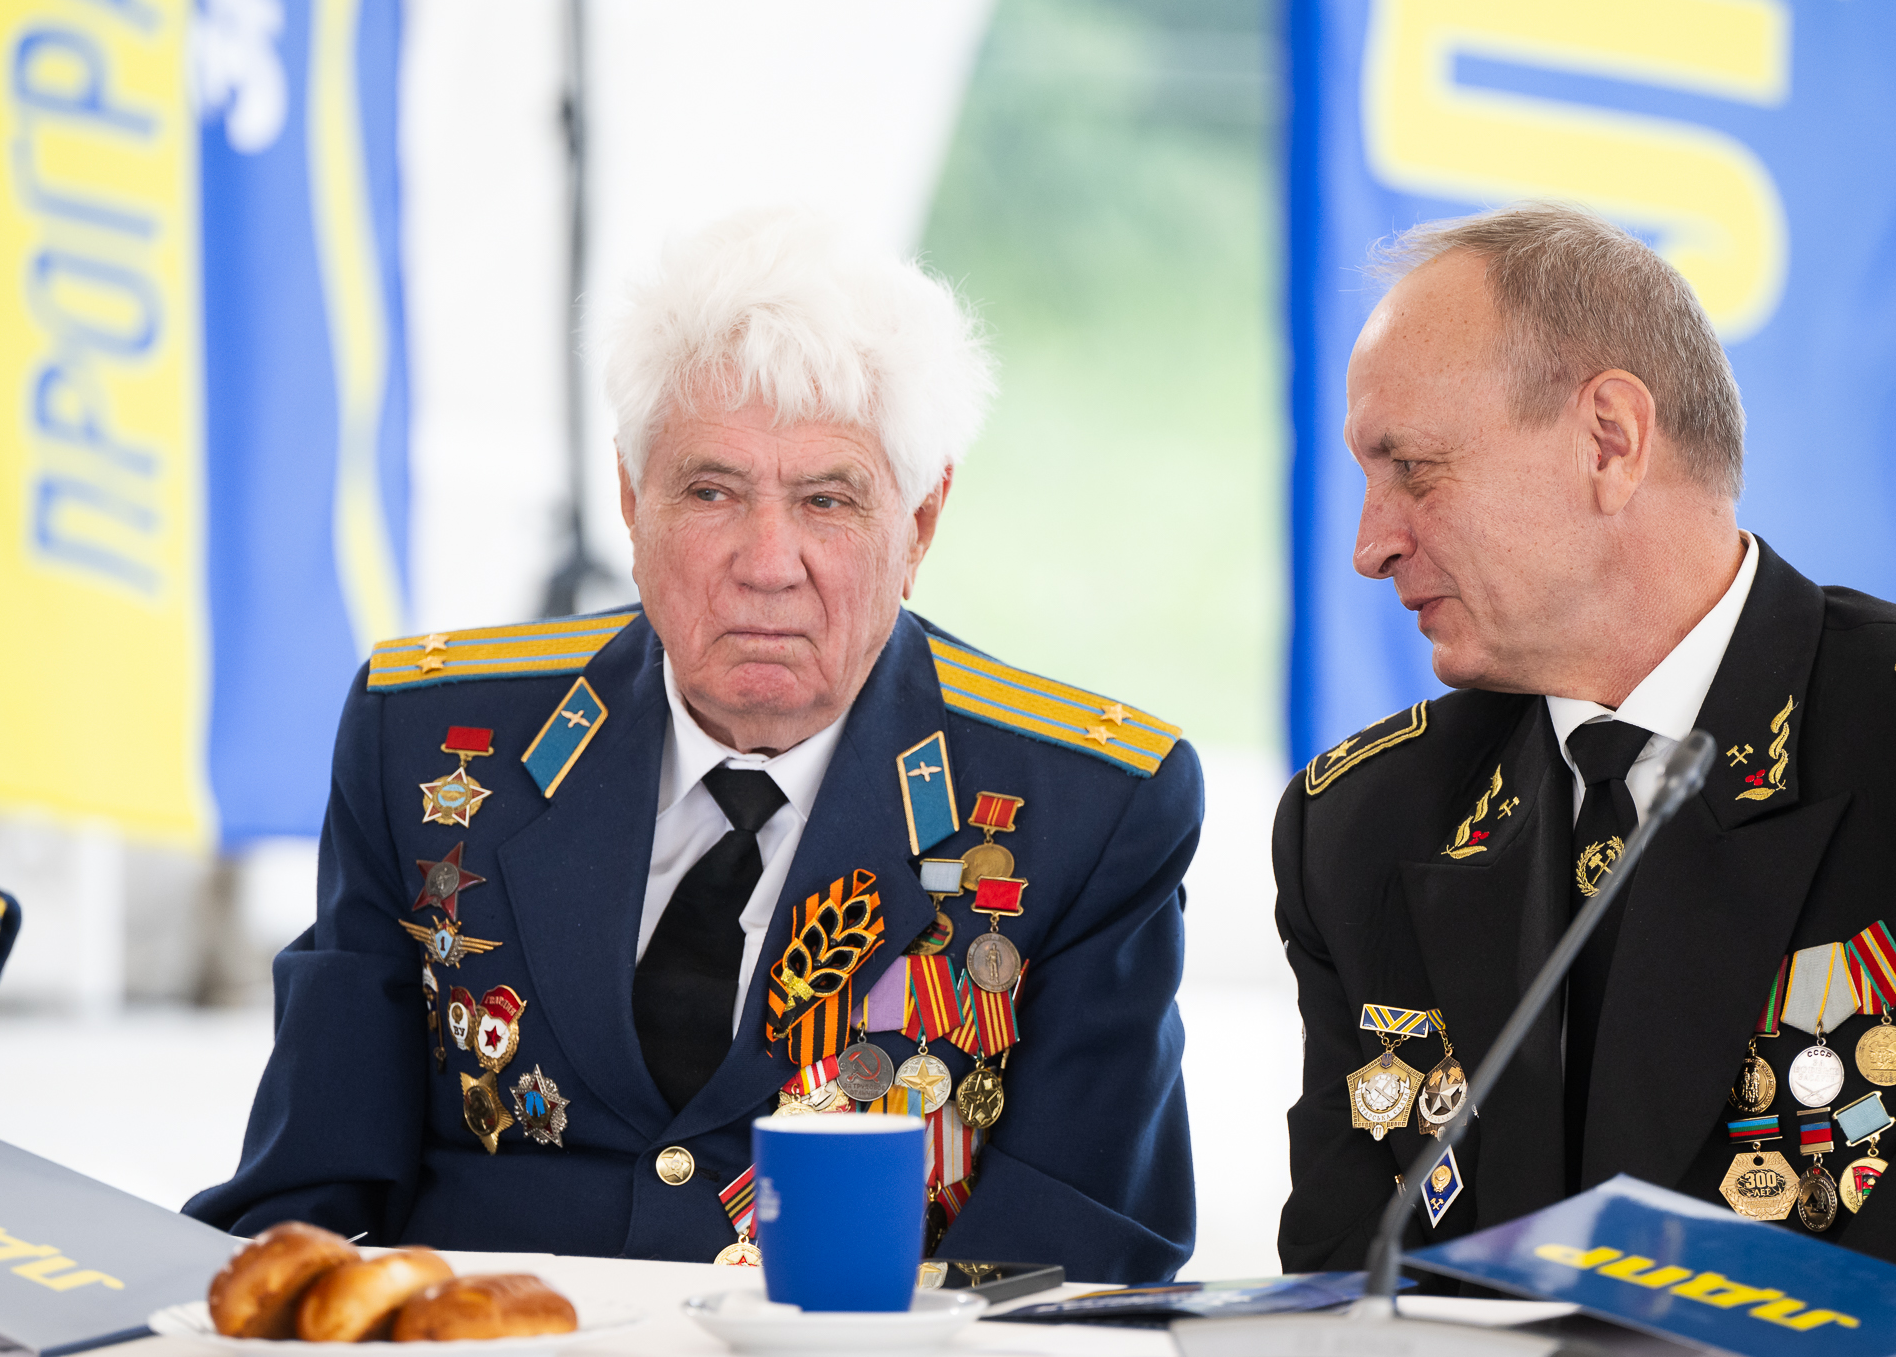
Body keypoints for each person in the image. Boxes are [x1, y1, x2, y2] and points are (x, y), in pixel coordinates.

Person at [190, 208, 1202, 1280]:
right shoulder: (430, 740)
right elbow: (303, 1192)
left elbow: (1078, 1266)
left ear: (920, 521)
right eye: (711, 491)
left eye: (828, 499)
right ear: (632, 501)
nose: (767, 562)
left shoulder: (1087, 807)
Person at [1275, 204, 1896, 1328]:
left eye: (1414, 469)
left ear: (1609, 440)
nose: (1370, 544)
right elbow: (1338, 1276)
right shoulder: (1362, 823)